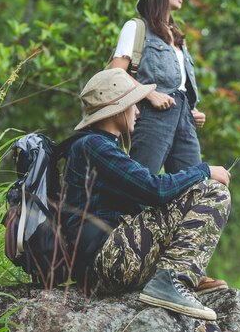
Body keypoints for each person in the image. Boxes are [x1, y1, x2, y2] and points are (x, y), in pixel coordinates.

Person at [63, 68, 231, 321]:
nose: (138, 111)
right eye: (134, 105)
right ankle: (171, 282)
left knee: (189, 193)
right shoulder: (94, 146)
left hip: (105, 263)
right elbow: (155, 190)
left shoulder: (97, 146)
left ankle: (181, 274)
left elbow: (145, 196)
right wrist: (204, 170)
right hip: (108, 261)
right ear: (119, 109)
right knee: (213, 191)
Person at [110, 0, 206, 175]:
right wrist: (149, 94)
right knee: (139, 187)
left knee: (193, 190)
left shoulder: (177, 37)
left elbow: (177, 84)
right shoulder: (136, 27)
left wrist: (192, 110)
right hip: (151, 119)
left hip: (184, 123)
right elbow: (114, 73)